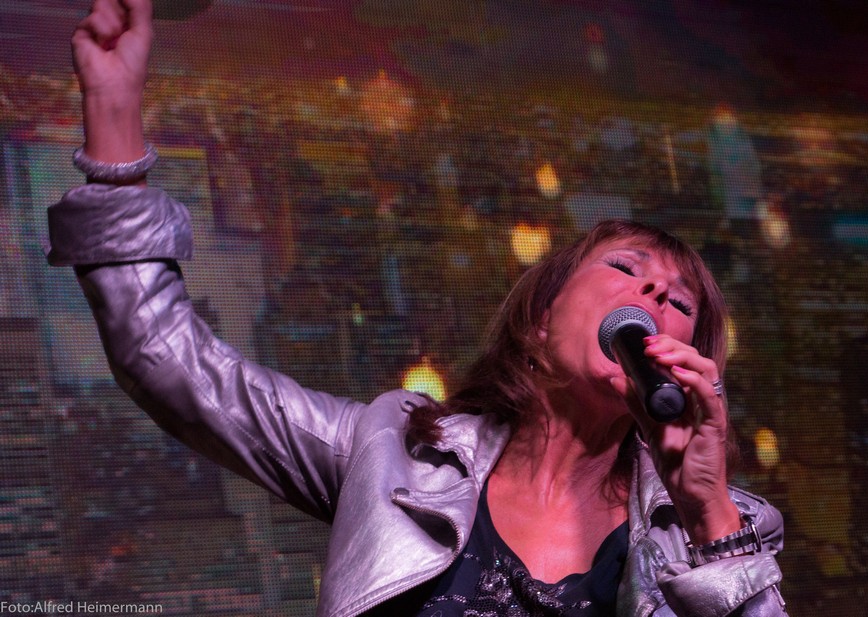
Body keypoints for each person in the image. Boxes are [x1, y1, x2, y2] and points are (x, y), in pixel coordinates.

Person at [49, 0, 787, 614]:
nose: (654, 293)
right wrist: (113, 115)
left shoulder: (730, 525)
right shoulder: (391, 455)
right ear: (539, 322)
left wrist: (708, 513)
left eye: (680, 300)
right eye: (625, 268)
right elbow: (167, 360)